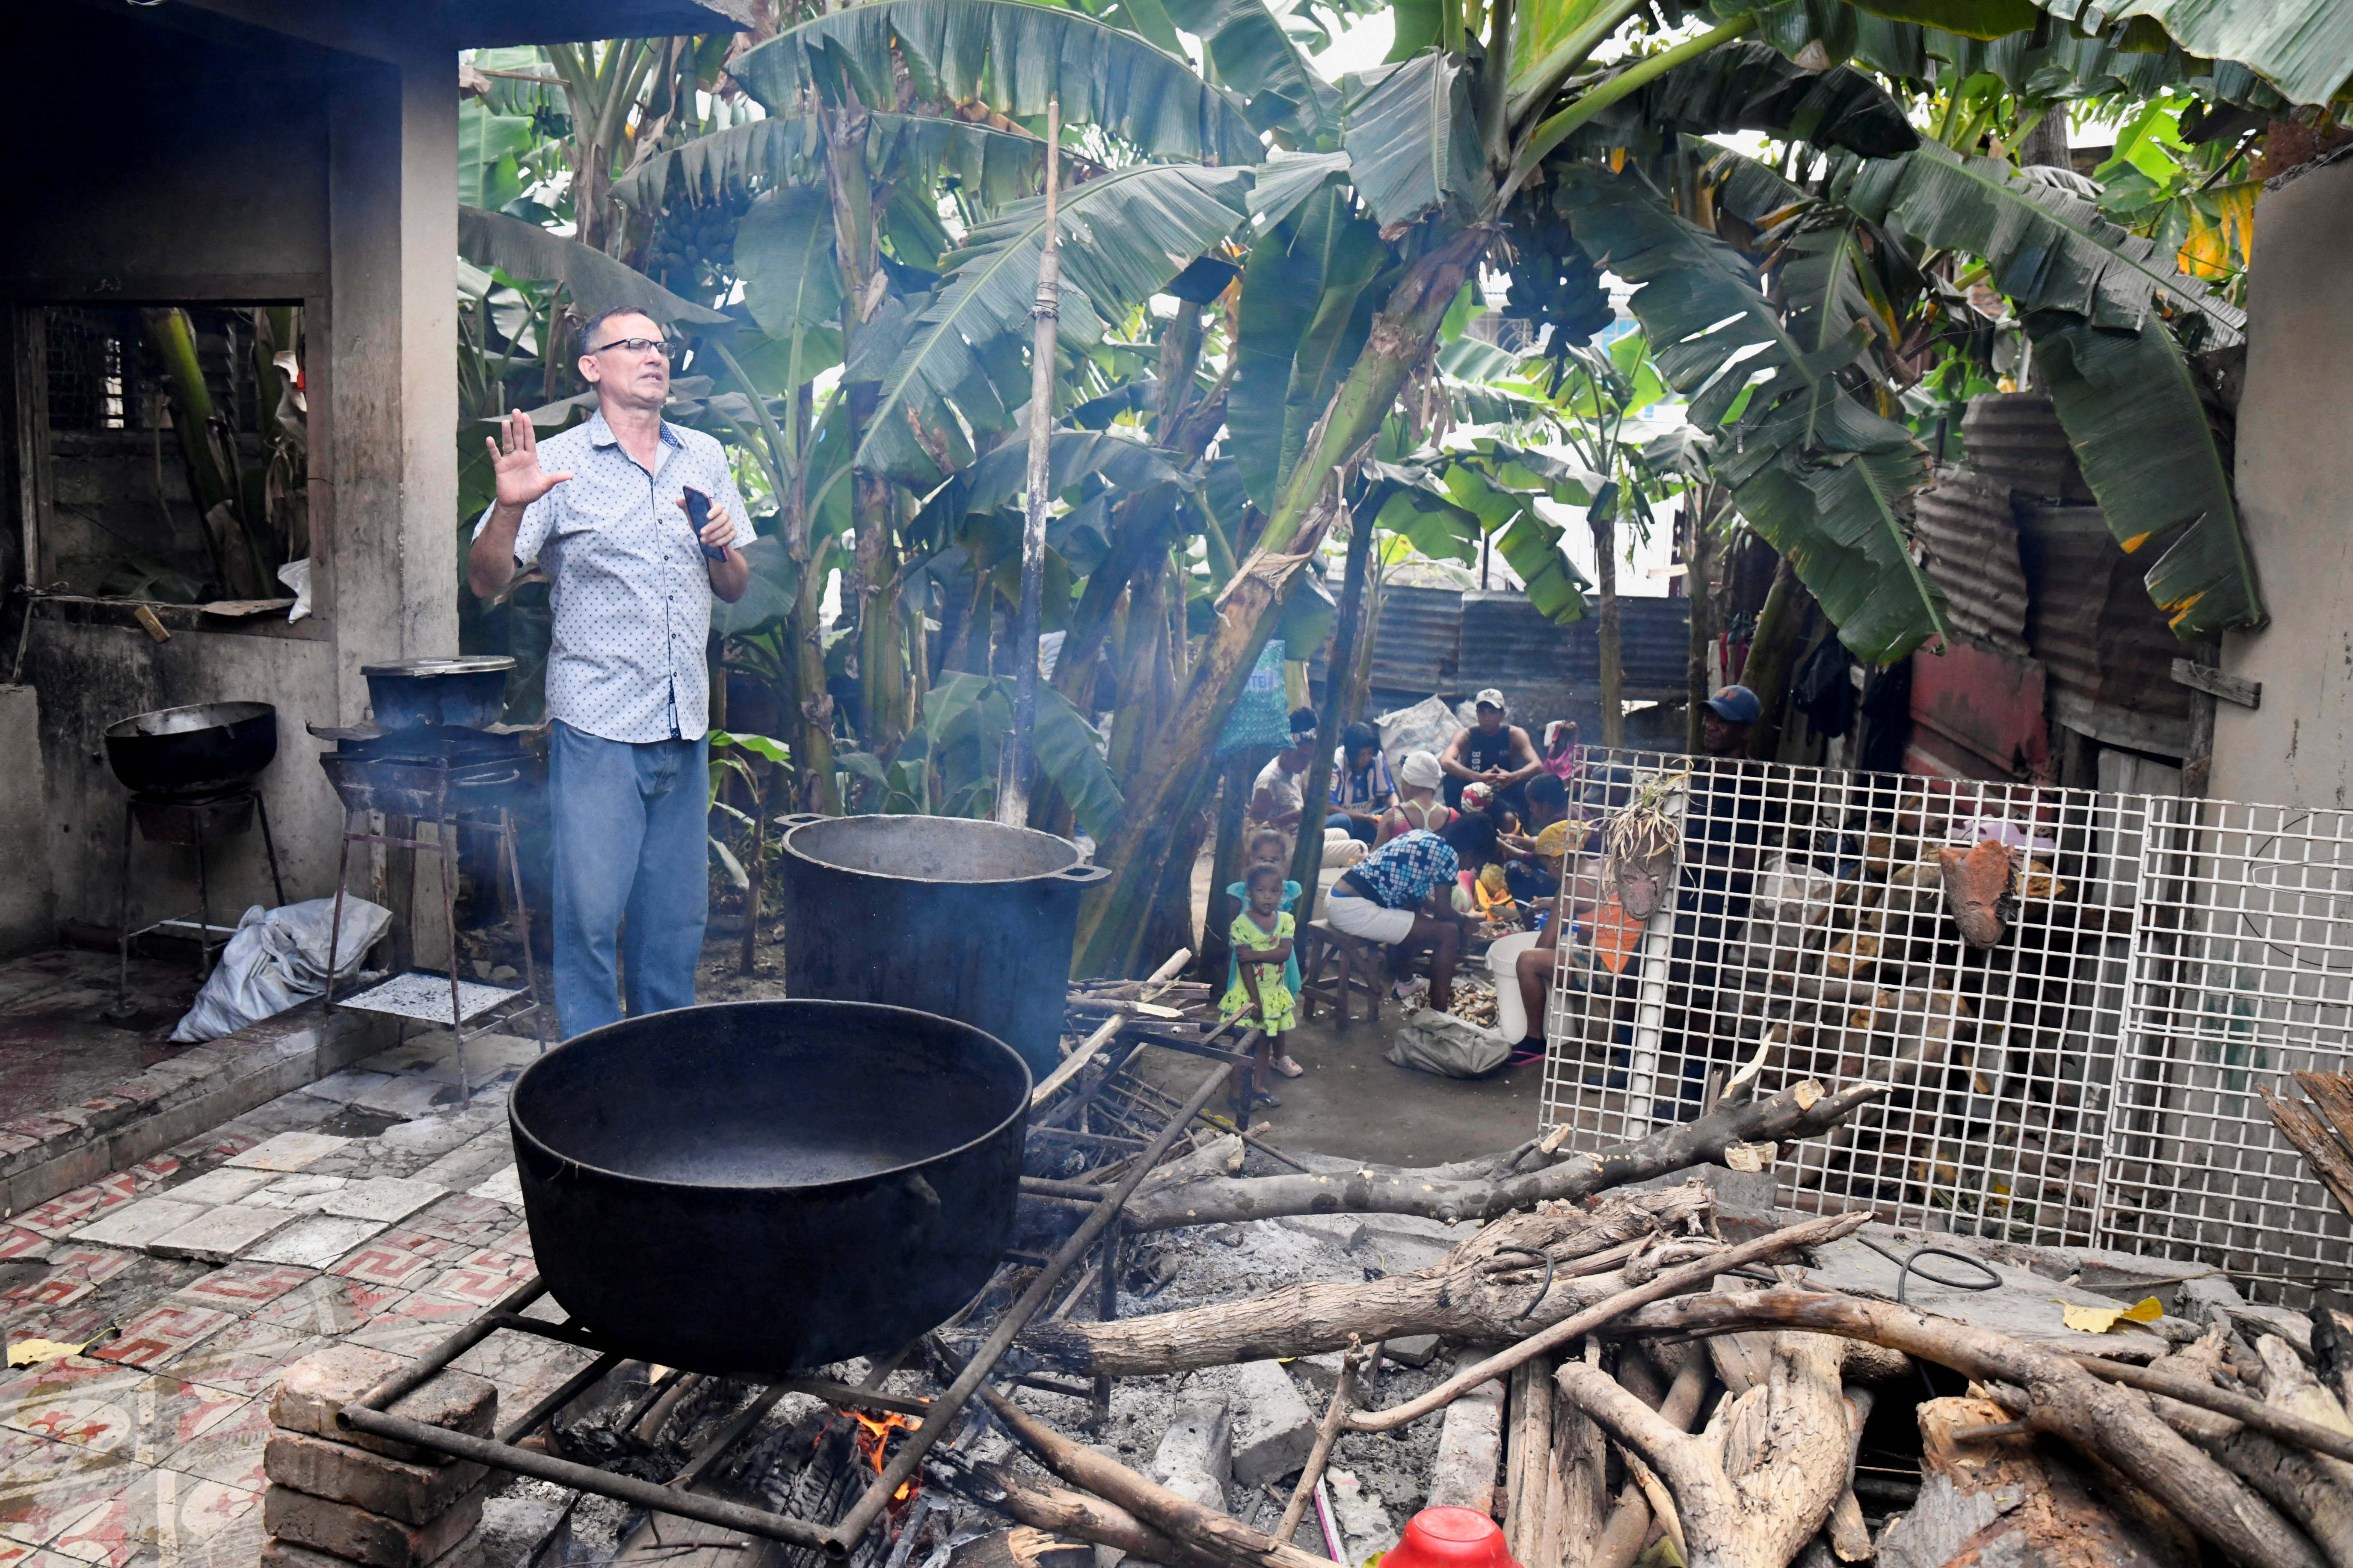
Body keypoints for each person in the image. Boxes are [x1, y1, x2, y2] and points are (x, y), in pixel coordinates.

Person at [468, 308, 751, 1038]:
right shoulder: (557, 465)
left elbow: (734, 587)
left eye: (661, 347)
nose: (654, 357)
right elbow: (486, 579)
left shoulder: (705, 456)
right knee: (591, 914)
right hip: (599, 724)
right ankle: (594, 1071)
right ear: (593, 367)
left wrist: (723, 545)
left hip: (684, 720)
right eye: (635, 346)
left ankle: (664, 1066)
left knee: (676, 917)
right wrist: (508, 507)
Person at [1324, 815, 1497, 1014]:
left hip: (1338, 899)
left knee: (1414, 910)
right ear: (1471, 851)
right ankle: (1438, 1015)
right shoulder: (1449, 855)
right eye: (1476, 862)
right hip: (1353, 909)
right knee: (1448, 934)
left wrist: (1458, 917)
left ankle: (1406, 983)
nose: (1469, 868)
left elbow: (1417, 899)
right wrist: (1463, 921)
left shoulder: (1422, 837)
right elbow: (1442, 912)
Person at [1224, 828, 1304, 1078]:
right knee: (1250, 1009)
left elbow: (1288, 928)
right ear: (1251, 859)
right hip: (1248, 964)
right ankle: (1244, 1058)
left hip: (1281, 963)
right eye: (1262, 858)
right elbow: (1233, 929)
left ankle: (1279, 1057)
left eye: (1274, 860)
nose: (1268, 864)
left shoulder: (1289, 890)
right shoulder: (1240, 891)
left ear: (1284, 861)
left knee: (1280, 1009)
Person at [1220, 862, 1298, 1107]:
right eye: (1261, 891)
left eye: (1274, 891)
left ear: (1281, 894)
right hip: (1248, 994)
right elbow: (1244, 967)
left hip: (1274, 994)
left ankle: (1258, 1087)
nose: (1268, 896)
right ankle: (1235, 1093)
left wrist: (1255, 955)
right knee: (1242, 1045)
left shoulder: (1286, 921)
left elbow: (1284, 953)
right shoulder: (1241, 925)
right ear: (1249, 893)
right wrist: (1254, 1000)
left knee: (1265, 1042)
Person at [1441, 689, 1541, 818]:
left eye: (1493, 713)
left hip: (1503, 787)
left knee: (1531, 783)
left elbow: (1537, 765)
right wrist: (1478, 778)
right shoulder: (1466, 735)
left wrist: (1512, 777)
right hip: (1471, 789)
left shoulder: (1514, 734)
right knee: (1450, 780)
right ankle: (1455, 819)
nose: (1487, 718)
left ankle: (1521, 823)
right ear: (1477, 714)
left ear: (1503, 715)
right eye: (1482, 712)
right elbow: (1445, 761)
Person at [1249, 708, 1320, 833]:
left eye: (1310, 758)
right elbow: (1253, 829)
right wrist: (1289, 818)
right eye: (1303, 757)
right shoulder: (1269, 781)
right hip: (1282, 846)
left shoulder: (1298, 773)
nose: (1306, 764)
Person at [1325, 722, 1395, 845]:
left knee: (1399, 812)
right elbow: (1329, 808)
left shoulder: (1377, 758)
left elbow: (1390, 794)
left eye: (1370, 753)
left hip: (1366, 820)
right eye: (1362, 755)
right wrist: (1365, 818)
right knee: (1343, 820)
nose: (1367, 759)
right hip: (1342, 824)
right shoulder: (1337, 762)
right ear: (1351, 753)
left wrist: (1396, 810)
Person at [1377, 751, 1454, 846]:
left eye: (1403, 783)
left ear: (1409, 785)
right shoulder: (1453, 817)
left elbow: (1374, 858)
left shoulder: (1394, 817)